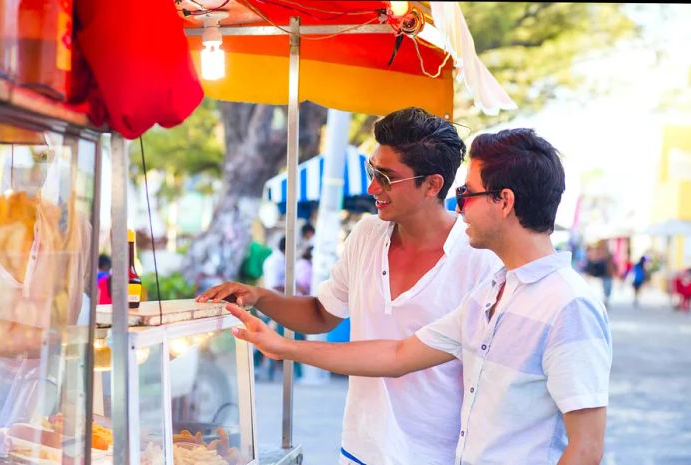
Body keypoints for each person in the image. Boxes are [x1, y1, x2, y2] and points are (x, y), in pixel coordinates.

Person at [226, 128, 612, 465]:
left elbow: (587, 447)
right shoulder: (493, 292)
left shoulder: (569, 304)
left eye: (466, 193)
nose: (459, 206)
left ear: (504, 201)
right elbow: (397, 356)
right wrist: (282, 346)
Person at [197, 107, 501, 465]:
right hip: (361, 447)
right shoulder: (367, 235)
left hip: (441, 454)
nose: (373, 187)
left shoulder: (480, 257)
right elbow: (322, 313)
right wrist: (260, 297)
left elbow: (406, 358)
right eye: (372, 171)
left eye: (387, 178)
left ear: (432, 185)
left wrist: (285, 347)